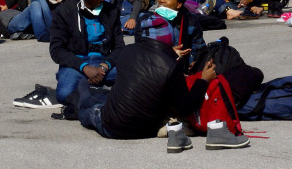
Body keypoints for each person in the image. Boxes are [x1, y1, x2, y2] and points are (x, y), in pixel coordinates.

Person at [75, 34, 221, 144]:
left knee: (88, 107)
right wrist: (203, 80)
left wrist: (203, 80)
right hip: (145, 130)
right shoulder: (171, 66)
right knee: (103, 97)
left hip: (112, 125)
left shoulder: (127, 52)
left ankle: (79, 95)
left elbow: (185, 107)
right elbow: (184, 107)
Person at [16, 0, 125, 111]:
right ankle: (92, 88)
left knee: (137, 79)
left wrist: (105, 66)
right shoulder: (65, 12)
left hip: (104, 64)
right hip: (77, 64)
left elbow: (119, 47)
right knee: (64, 94)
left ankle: (89, 88)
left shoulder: (111, 11)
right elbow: (57, 51)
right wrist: (85, 68)